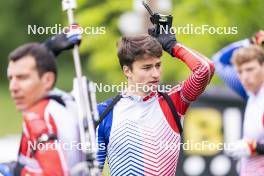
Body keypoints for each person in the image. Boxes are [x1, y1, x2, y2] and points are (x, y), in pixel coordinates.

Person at [96, 29, 215, 175]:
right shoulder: (103, 112)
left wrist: (173, 46)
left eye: (158, 65)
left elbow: (205, 69)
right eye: (146, 68)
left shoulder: (174, 101)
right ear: (127, 71)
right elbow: (92, 172)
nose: (155, 74)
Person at [0, 26, 84, 176]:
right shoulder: (65, 104)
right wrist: (50, 47)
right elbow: (39, 72)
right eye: (11, 78)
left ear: (48, 80)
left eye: (22, 78)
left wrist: (18, 171)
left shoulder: (38, 116)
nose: (13, 87)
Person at [212, 31, 264, 176]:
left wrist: (257, 148)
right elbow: (217, 60)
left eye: (250, 69)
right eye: (240, 72)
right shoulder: (249, 92)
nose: (245, 77)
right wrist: (249, 41)